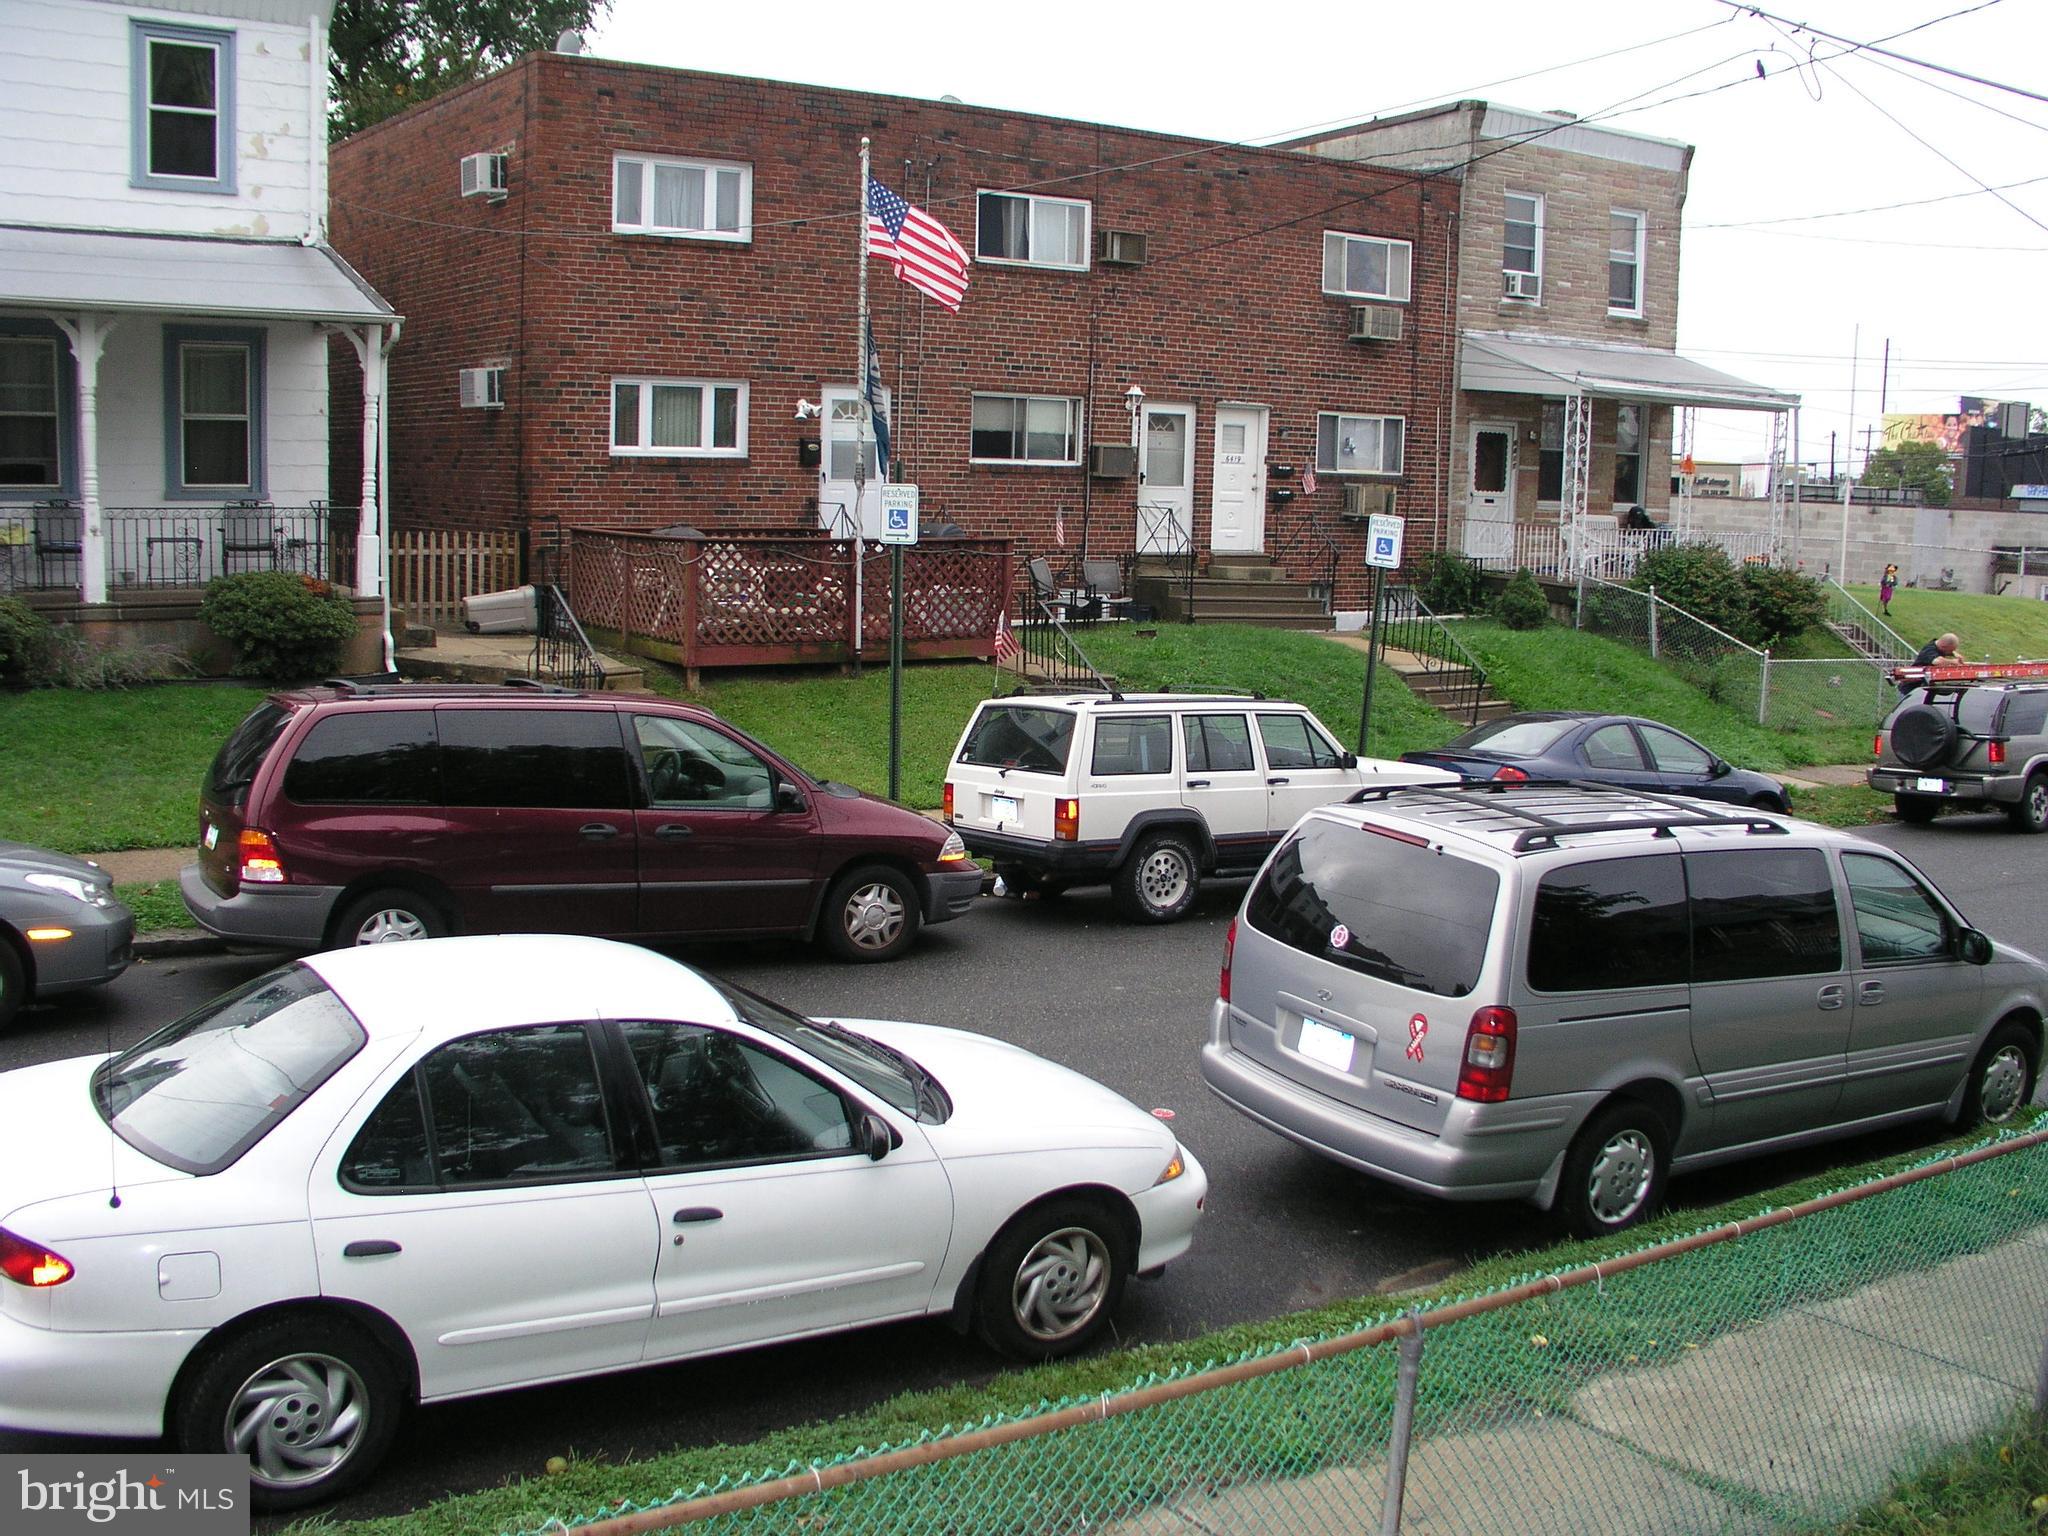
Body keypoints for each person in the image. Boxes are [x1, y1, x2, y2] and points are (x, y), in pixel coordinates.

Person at [1902, 632, 1959, 696]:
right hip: (1909, 690)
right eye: (1950, 650)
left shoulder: (1939, 645)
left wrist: (1955, 654)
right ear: (1943, 646)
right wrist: (1953, 662)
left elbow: (1945, 653)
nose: (1951, 652)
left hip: (1922, 689)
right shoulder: (1929, 650)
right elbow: (1937, 661)